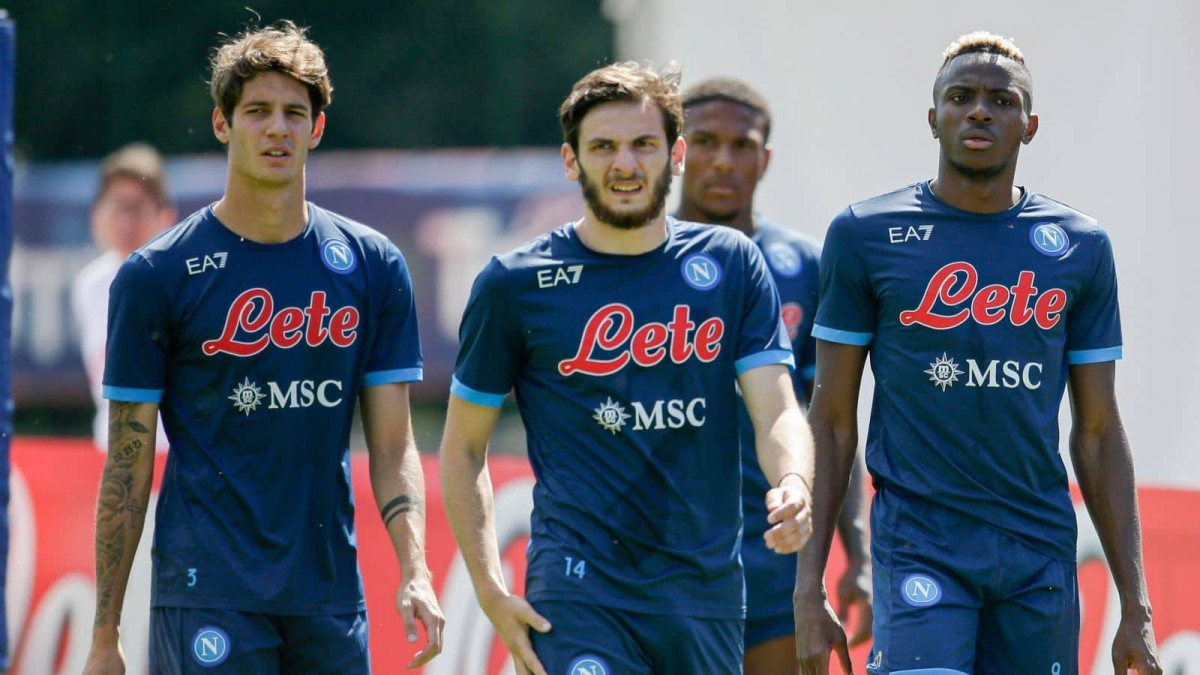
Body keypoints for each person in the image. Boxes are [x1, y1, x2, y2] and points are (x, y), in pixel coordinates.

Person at [82, 21, 444, 674]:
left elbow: (393, 445)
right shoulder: (156, 275)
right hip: (207, 593)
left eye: (293, 113)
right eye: (257, 111)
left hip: (328, 594)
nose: (277, 128)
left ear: (317, 128)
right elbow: (127, 465)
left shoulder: (373, 266)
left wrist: (415, 567)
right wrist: (105, 634)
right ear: (222, 124)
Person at [795, 31, 1162, 675]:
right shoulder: (864, 235)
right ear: (933, 116)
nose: (980, 112)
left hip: (1038, 552)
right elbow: (830, 421)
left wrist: (1136, 604)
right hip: (921, 542)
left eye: (1002, 100)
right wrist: (808, 588)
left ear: (1030, 126)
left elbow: (1099, 432)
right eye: (961, 97)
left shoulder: (1081, 246)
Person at [440, 61, 815, 675]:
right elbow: (461, 448)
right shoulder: (515, 284)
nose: (625, 164)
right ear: (571, 160)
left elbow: (777, 407)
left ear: (675, 155)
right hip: (579, 588)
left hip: (706, 595)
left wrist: (794, 480)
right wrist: (489, 588)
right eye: (603, 147)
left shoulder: (732, 263)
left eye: (643, 144)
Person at [676, 77, 872, 675]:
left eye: (741, 145)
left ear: (764, 159)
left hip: (774, 552)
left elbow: (829, 421)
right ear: (678, 151)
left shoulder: (804, 265)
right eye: (705, 142)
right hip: (661, 556)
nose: (723, 160)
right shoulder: (635, 261)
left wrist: (858, 555)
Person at [72, 142, 175, 452]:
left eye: (138, 208)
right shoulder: (89, 284)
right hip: (111, 453)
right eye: (117, 206)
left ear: (165, 216)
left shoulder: (183, 282)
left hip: (172, 457)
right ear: (96, 214)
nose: (126, 221)